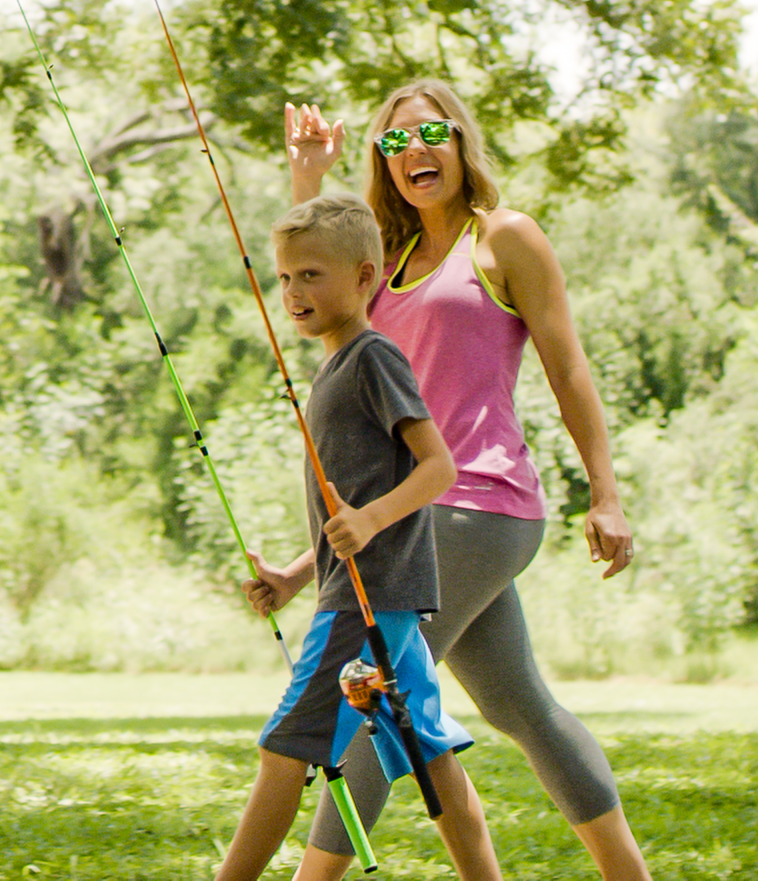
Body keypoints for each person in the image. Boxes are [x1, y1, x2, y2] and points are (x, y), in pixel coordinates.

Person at [268, 82, 654, 881]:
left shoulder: (504, 238)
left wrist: (605, 492)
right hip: (417, 519)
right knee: (520, 707)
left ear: (460, 142)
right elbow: (326, 298)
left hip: (482, 504)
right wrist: (308, 179)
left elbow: (568, 365)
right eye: (395, 141)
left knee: (369, 702)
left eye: (431, 133)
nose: (415, 150)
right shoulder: (390, 262)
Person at [218, 195, 499, 881]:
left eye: (312, 274)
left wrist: (370, 521)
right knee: (431, 757)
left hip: (367, 606)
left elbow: (438, 467)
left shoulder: (373, 358)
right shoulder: (337, 365)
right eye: (284, 277)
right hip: (376, 600)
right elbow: (350, 513)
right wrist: (292, 574)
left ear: (365, 276)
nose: (293, 291)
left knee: (286, 747)